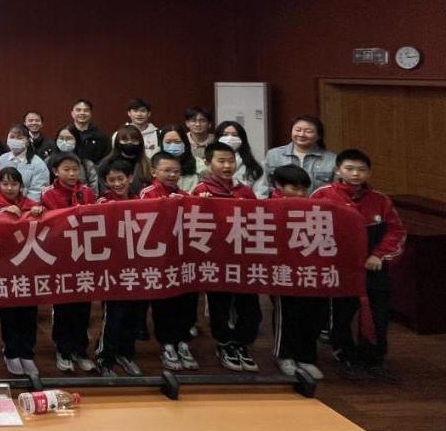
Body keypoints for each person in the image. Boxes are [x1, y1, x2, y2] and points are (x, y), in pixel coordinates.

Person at [315, 150, 407, 381]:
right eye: (349, 169)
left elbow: (396, 231)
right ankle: (345, 355)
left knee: (378, 315)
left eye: (361, 170)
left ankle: (374, 358)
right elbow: (311, 230)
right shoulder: (323, 195)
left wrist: (378, 255)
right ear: (337, 170)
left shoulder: (380, 200)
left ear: (369, 173)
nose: (355, 174)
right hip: (339, 270)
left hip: (374, 269)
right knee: (341, 315)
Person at [192, 142, 260, 373]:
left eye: (230, 161)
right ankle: (225, 344)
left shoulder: (245, 191)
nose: (227, 166)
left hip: (244, 260)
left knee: (250, 308)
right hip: (216, 260)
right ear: (207, 162)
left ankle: (242, 344)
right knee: (219, 306)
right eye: (221, 161)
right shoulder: (200, 191)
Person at [140, 152, 199, 372]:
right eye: (167, 171)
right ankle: (167, 345)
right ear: (154, 172)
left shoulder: (185, 196)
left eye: (176, 171)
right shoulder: (147, 194)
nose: (172, 175)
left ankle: (182, 343)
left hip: (184, 261)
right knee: (164, 305)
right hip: (160, 261)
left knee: (187, 303)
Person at [267, 165, 327, 380]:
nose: (301, 194)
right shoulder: (267, 208)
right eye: (294, 188)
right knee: (288, 315)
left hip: (309, 270)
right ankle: (285, 356)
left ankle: (306, 357)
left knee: (312, 314)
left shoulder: (314, 208)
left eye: (304, 189)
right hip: (282, 271)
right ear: (278, 186)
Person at [41, 153, 98, 374]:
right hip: (61, 258)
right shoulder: (48, 194)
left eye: (75, 169)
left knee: (83, 308)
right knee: (63, 308)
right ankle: (63, 350)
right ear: (56, 171)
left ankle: (80, 351)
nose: (72, 174)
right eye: (67, 169)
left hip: (84, 257)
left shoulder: (87, 192)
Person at [0, 166, 44, 375]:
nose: (10, 188)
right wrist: (3, 215)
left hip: (29, 269)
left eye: (14, 184)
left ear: (21, 185)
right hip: (5, 270)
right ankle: (11, 352)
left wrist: (37, 213)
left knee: (29, 314)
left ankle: (27, 353)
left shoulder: (31, 205)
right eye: (5, 184)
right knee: (9, 314)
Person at [258, 115, 337, 198]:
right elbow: (263, 185)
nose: (301, 134)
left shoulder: (331, 159)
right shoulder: (274, 154)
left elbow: (336, 189)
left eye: (308, 131)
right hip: (281, 204)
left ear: (319, 136)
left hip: (317, 205)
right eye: (298, 130)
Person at [0, 123, 50, 202]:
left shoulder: (38, 163)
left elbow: (37, 191)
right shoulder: (2, 159)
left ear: (27, 141)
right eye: (12, 137)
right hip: (2, 204)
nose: (15, 140)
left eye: (19, 138)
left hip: (28, 206)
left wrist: (22, 206)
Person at [99, 125, 152, 194]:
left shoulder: (147, 163)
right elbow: (104, 189)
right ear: (118, 142)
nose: (129, 143)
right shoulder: (106, 163)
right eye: (125, 140)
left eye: (134, 140)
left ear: (140, 143)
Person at [47, 124, 99, 192]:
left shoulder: (86, 164)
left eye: (68, 138)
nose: (64, 142)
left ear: (76, 140)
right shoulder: (48, 161)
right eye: (61, 138)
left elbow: (94, 191)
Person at [215, 121, 264, 191]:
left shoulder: (254, 166)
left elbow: (260, 192)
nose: (229, 138)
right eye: (225, 135)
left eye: (235, 135)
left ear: (242, 139)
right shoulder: (209, 163)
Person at [66, 99, 109, 166]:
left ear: (91, 114)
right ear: (72, 114)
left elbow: (105, 159)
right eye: (78, 110)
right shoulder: (65, 134)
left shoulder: (101, 137)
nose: (82, 113)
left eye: (86, 110)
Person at [159, 125, 199, 192]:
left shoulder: (199, 165)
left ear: (185, 143)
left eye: (177, 142)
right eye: (168, 142)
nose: (173, 145)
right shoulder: (154, 163)